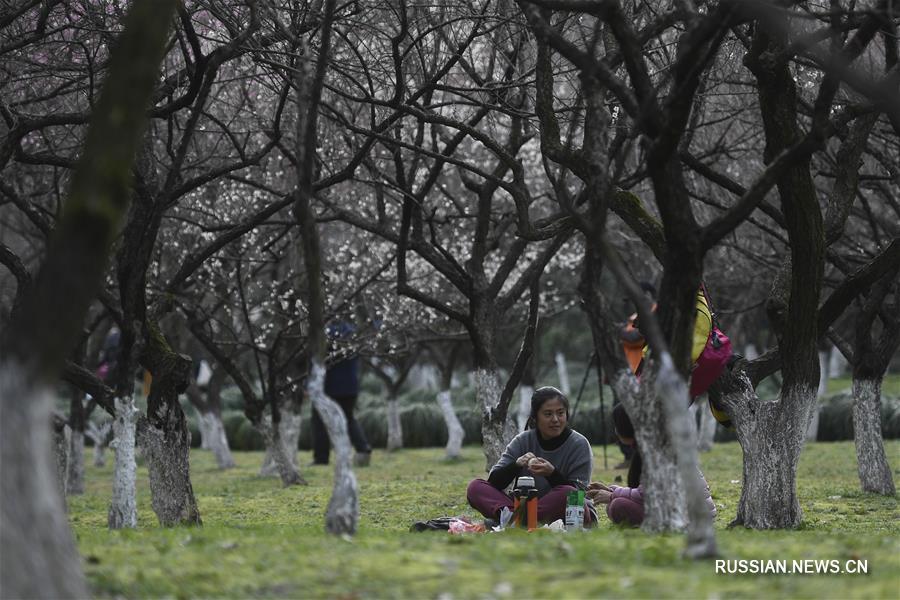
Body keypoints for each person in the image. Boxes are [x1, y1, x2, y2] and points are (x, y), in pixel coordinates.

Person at [466, 386, 596, 527]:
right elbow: (493, 482)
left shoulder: (579, 444)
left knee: (569, 493)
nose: (555, 419)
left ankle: (516, 521)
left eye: (560, 413)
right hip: (526, 506)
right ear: (535, 417)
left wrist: (552, 474)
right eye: (547, 414)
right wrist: (516, 465)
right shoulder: (523, 440)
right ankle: (519, 520)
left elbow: (578, 496)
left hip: (570, 514)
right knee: (475, 487)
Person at [587, 404, 716, 526]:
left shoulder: (655, 451)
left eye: (617, 425)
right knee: (614, 503)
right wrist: (611, 490)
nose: (615, 431)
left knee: (617, 505)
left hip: (692, 515)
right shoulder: (652, 444)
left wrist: (612, 495)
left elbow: (646, 494)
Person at [311, 322, 372, 467]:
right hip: (350, 386)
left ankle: (321, 457)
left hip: (330, 386)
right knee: (349, 419)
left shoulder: (325, 333)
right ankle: (363, 447)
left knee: (319, 421)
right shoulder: (352, 332)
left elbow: (318, 359)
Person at [615, 281, 656, 469]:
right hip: (630, 372)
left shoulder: (656, 313)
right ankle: (629, 456)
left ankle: (640, 456)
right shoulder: (634, 317)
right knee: (622, 414)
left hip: (645, 374)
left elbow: (634, 337)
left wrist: (619, 330)